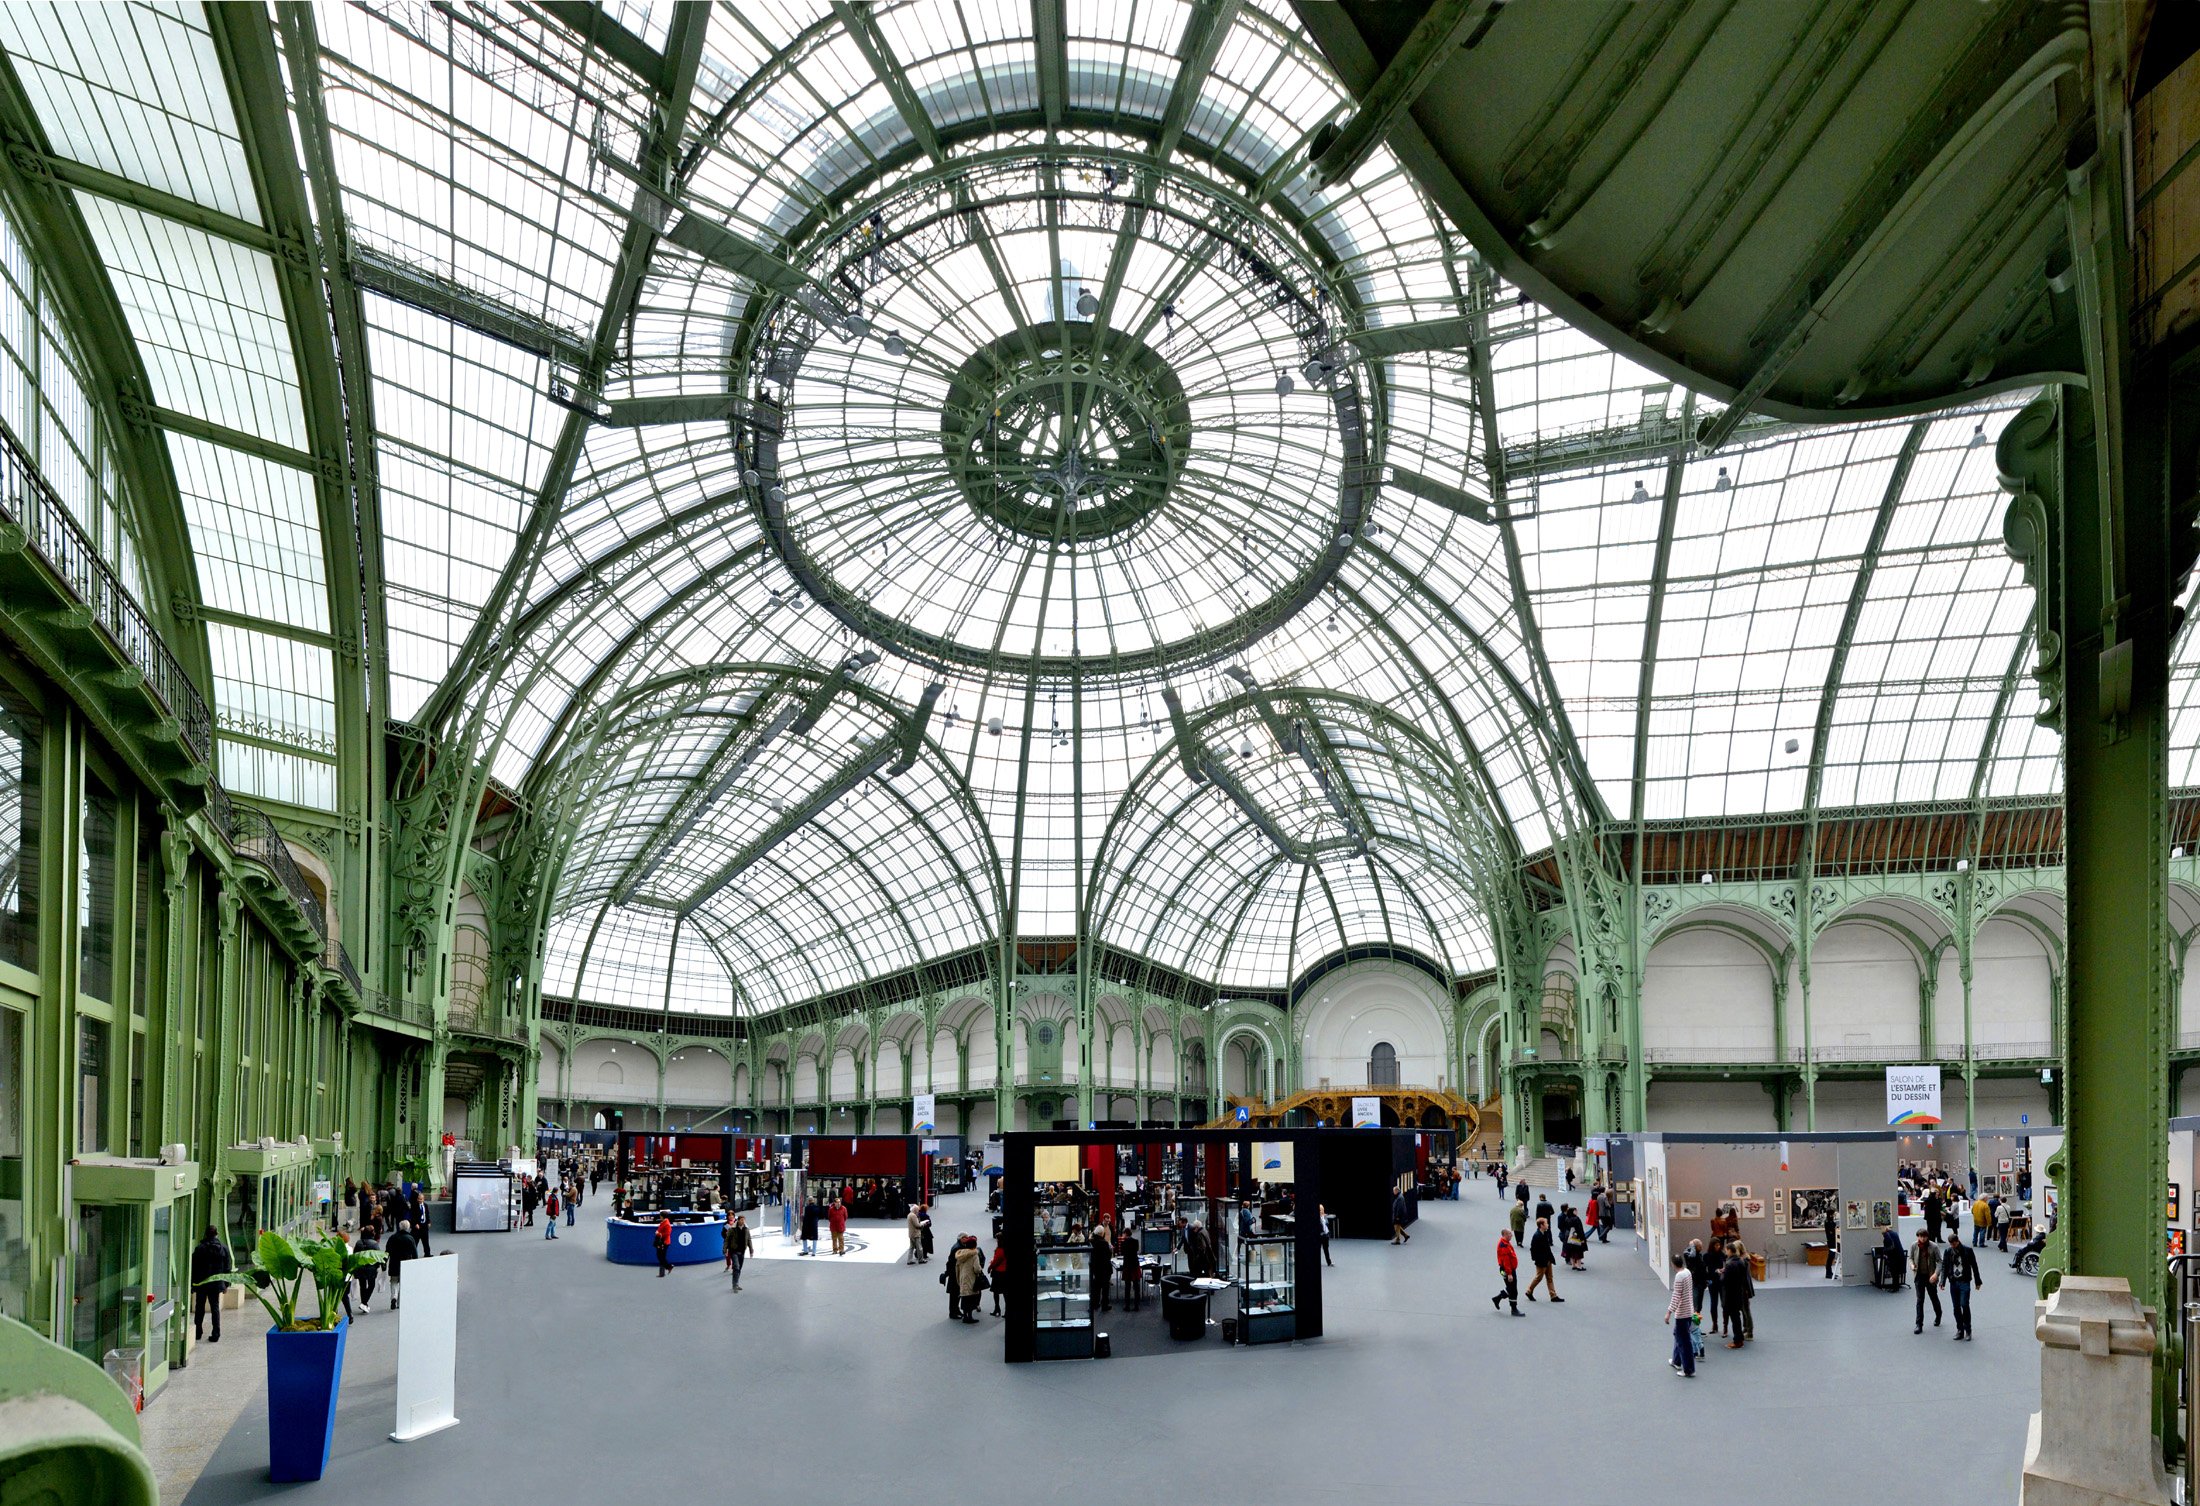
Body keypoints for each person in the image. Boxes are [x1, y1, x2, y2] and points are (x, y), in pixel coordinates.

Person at [190, 1225, 231, 1343]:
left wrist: (193, 1284)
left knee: (200, 1308)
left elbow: (195, 1268)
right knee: (215, 1308)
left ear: (206, 1234)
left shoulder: (200, 1249)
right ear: (216, 1234)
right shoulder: (224, 1249)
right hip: (216, 1283)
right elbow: (227, 1268)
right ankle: (216, 1333)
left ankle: (198, 1332)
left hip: (202, 1283)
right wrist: (226, 1285)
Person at [1942, 1231, 1982, 1339]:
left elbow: (1974, 1266)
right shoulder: (1948, 1251)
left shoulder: (1967, 1251)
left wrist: (1977, 1281)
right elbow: (1945, 1266)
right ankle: (1960, 1330)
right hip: (1954, 1282)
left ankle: (1968, 1329)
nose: (1952, 1246)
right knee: (1956, 1307)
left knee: (1964, 1304)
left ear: (1958, 1241)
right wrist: (1942, 1281)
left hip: (1964, 1281)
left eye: (1954, 1244)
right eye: (1951, 1244)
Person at [1667, 1253, 1695, 1378]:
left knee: (1684, 1340)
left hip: (1682, 1313)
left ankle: (1688, 1369)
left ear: (1673, 1264)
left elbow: (1676, 1296)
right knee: (1678, 1335)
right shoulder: (1687, 1272)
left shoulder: (1679, 1276)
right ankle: (1676, 1360)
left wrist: (1668, 1312)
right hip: (1689, 1310)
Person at [1721, 1243, 1754, 1346]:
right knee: (1738, 1316)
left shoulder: (1730, 1264)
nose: (1726, 1252)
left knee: (1734, 1318)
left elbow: (1725, 1281)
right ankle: (1740, 1337)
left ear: (1729, 1250)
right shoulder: (1741, 1261)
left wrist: (1721, 1275)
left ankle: (1737, 1341)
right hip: (1739, 1293)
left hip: (1731, 1295)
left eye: (1726, 1250)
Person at [1525, 1216, 1563, 1302]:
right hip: (1541, 1260)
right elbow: (1533, 1248)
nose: (1548, 1225)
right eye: (1546, 1223)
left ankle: (1553, 1295)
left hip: (1547, 1259)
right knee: (1539, 1277)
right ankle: (1529, 1291)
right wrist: (1536, 1258)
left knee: (1549, 1278)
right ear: (1541, 1225)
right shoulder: (1537, 1235)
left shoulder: (1544, 1233)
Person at [1911, 1227, 1942, 1332]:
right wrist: (1911, 1265)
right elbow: (1910, 1257)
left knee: (1933, 1298)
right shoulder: (1915, 1246)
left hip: (1930, 1277)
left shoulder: (1933, 1247)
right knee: (1920, 1300)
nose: (1922, 1239)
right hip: (1919, 1276)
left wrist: (1936, 1274)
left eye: (1924, 1237)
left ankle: (1938, 1314)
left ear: (1927, 1237)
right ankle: (1919, 1324)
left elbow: (1940, 1261)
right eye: (1920, 1237)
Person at [948, 1235, 985, 1322]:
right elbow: (976, 1268)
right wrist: (979, 1270)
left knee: (964, 1297)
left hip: (962, 1277)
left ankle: (964, 1315)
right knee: (971, 1297)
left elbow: (957, 1266)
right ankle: (969, 1317)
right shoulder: (974, 1254)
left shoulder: (960, 1253)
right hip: (970, 1277)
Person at [385, 1220, 417, 1309]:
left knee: (394, 1282)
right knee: (403, 1283)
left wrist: (384, 1263)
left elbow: (387, 1252)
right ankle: (399, 1302)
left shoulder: (393, 1238)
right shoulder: (410, 1238)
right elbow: (414, 1253)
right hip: (406, 1264)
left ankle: (393, 1297)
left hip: (394, 1264)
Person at [352, 1223, 381, 1313]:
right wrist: (379, 1266)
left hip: (360, 1267)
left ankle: (364, 1302)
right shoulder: (374, 1244)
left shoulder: (359, 1243)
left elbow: (355, 1255)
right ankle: (364, 1302)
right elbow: (379, 1257)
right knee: (371, 1285)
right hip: (371, 1267)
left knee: (362, 1286)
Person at [1491, 1229, 1521, 1316]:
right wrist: (1510, 1274)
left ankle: (1497, 1298)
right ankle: (1514, 1309)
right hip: (1507, 1270)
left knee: (1510, 1288)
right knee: (1513, 1290)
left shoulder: (1506, 1243)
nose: (1512, 1235)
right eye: (1509, 1234)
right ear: (1504, 1234)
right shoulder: (1503, 1246)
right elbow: (1506, 1261)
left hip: (1509, 1269)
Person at [1089, 1225, 1113, 1313]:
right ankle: (1104, 1304)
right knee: (1105, 1287)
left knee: (1096, 1287)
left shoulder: (1091, 1241)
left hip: (1094, 1267)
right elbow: (1107, 1256)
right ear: (1102, 1233)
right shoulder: (1104, 1243)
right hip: (1104, 1268)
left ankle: (1095, 1303)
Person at [726, 1214, 751, 1290]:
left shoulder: (746, 1229)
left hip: (742, 1251)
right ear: (738, 1220)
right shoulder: (732, 1229)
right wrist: (725, 1250)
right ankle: (735, 1285)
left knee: (739, 1268)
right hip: (734, 1251)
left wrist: (751, 1249)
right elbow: (727, 1240)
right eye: (741, 1220)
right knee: (736, 1267)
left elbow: (749, 1239)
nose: (743, 1221)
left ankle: (736, 1283)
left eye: (744, 1220)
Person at [1120, 1233, 1142, 1312]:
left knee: (1127, 1287)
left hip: (1127, 1265)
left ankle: (1127, 1306)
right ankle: (1136, 1306)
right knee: (1136, 1287)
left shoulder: (1123, 1243)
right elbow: (1136, 1250)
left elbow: (1122, 1252)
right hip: (1135, 1265)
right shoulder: (1136, 1241)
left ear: (1125, 1234)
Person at [989, 1241, 1011, 1316]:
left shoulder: (999, 1250)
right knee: (1006, 1292)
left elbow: (995, 1261)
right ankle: (1007, 1310)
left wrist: (990, 1267)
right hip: (1006, 1272)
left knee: (996, 1292)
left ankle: (997, 1308)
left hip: (998, 1272)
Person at [1822, 1205, 1838, 1279]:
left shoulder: (1830, 1221)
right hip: (1831, 1241)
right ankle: (1828, 1273)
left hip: (1832, 1241)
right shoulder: (1828, 1222)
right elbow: (1832, 1232)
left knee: (1831, 1257)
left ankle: (1830, 1272)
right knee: (1830, 1257)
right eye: (1833, 1214)